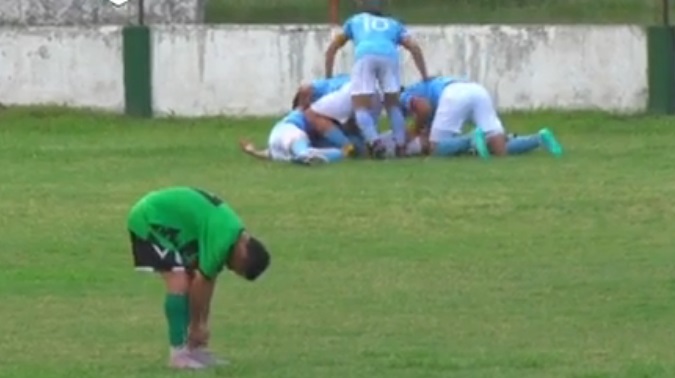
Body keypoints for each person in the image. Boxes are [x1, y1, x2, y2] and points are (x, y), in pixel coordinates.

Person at [127, 187, 271, 369]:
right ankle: (178, 355)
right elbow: (203, 282)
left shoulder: (232, 235)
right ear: (242, 254)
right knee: (178, 281)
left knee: (187, 276)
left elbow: (205, 283)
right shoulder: (223, 240)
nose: (229, 267)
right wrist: (197, 325)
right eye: (235, 268)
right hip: (150, 217)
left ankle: (192, 350)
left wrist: (201, 323)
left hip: (174, 221)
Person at [324, 0, 429, 158]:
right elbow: (414, 47)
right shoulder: (393, 24)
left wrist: (328, 76)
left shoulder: (356, 20)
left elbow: (333, 47)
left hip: (365, 54)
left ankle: (375, 143)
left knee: (360, 105)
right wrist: (424, 74)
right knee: (392, 104)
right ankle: (400, 145)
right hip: (389, 56)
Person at [401, 76, 564, 158]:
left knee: (435, 149)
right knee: (499, 149)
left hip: (453, 95)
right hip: (476, 90)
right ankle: (538, 139)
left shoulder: (404, 95)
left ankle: (471, 139)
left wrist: (413, 132)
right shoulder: (431, 83)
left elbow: (423, 109)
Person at [240, 109, 350, 165]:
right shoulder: (309, 113)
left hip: (276, 137)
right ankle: (306, 156)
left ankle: (302, 157)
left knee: (288, 152)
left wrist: (253, 151)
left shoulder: (294, 115)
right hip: (290, 131)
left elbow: (270, 153)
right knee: (303, 151)